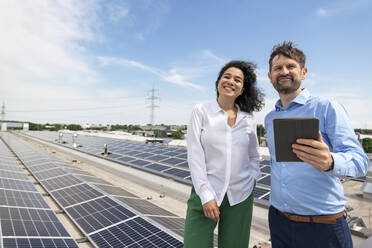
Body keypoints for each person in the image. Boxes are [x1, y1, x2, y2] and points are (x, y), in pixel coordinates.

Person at [264, 41, 370, 248]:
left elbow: (360, 163)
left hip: (323, 227)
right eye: (277, 68)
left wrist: (330, 161)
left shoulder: (326, 107)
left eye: (290, 66)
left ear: (303, 72)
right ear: (270, 77)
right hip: (279, 223)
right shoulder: (269, 119)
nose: (284, 71)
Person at [183, 60, 264, 247]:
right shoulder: (201, 111)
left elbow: (254, 155)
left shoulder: (248, 119)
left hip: (240, 195)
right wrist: (205, 195)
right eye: (226, 76)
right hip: (206, 191)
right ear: (218, 82)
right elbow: (195, 156)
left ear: (242, 89)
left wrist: (253, 176)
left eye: (237, 80)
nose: (231, 81)